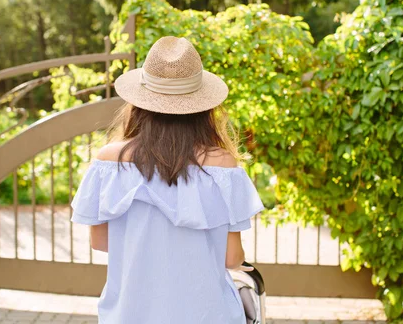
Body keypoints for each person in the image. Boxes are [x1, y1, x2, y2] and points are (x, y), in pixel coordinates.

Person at [70, 36, 265, 323]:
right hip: (206, 313)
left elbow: (100, 241)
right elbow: (231, 258)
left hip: (131, 313)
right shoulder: (223, 164)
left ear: (139, 103)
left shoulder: (108, 162)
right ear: (203, 108)